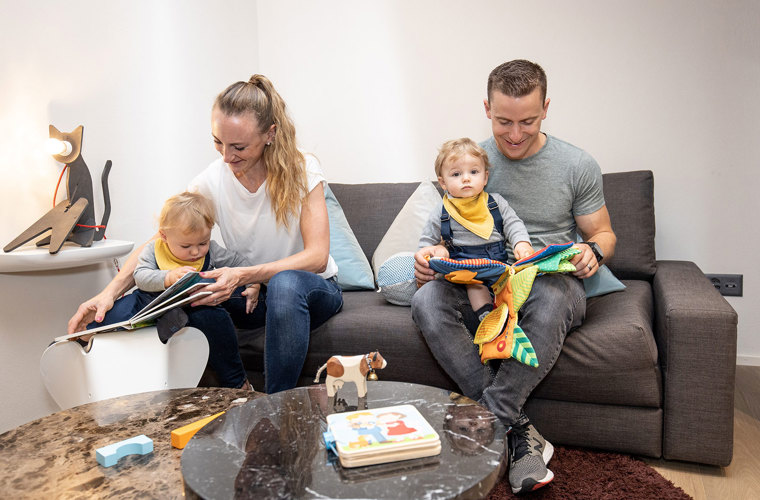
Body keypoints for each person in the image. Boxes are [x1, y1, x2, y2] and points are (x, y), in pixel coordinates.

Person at [412, 60, 616, 495]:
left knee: (551, 294)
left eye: (528, 121)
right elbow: (442, 236)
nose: (516, 134)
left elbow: (603, 233)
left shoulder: (577, 164)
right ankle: (519, 433)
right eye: (504, 122)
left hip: (549, 282)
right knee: (425, 300)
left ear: (546, 108)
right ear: (487, 108)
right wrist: (429, 259)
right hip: (481, 282)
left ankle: (488, 421)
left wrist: (593, 251)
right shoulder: (469, 162)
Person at [69, 75, 343, 394]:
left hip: (310, 290)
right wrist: (109, 293)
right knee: (188, 286)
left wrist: (243, 275)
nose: (226, 156)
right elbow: (162, 242)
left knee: (285, 283)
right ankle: (220, 388)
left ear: (270, 134)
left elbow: (317, 257)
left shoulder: (302, 168)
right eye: (218, 142)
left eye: (239, 147)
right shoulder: (212, 179)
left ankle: (276, 404)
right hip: (252, 299)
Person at [90, 191, 258, 389]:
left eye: (202, 243)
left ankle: (238, 383)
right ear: (164, 236)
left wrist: (253, 284)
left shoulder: (212, 251)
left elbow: (239, 262)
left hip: (193, 305)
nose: (195, 251)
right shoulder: (154, 250)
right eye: (186, 246)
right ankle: (85, 339)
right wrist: (168, 277)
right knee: (116, 313)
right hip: (150, 301)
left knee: (216, 320)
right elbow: (141, 276)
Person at [418, 137, 534, 322]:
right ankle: (488, 318)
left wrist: (521, 243)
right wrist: (430, 256)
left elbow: (514, 224)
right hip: (464, 271)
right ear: (443, 182)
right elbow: (426, 244)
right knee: (474, 285)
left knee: (515, 282)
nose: (466, 178)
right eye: (456, 174)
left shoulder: (495, 202)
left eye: (473, 172)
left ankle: (511, 314)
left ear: (485, 177)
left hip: (497, 266)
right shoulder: (441, 211)